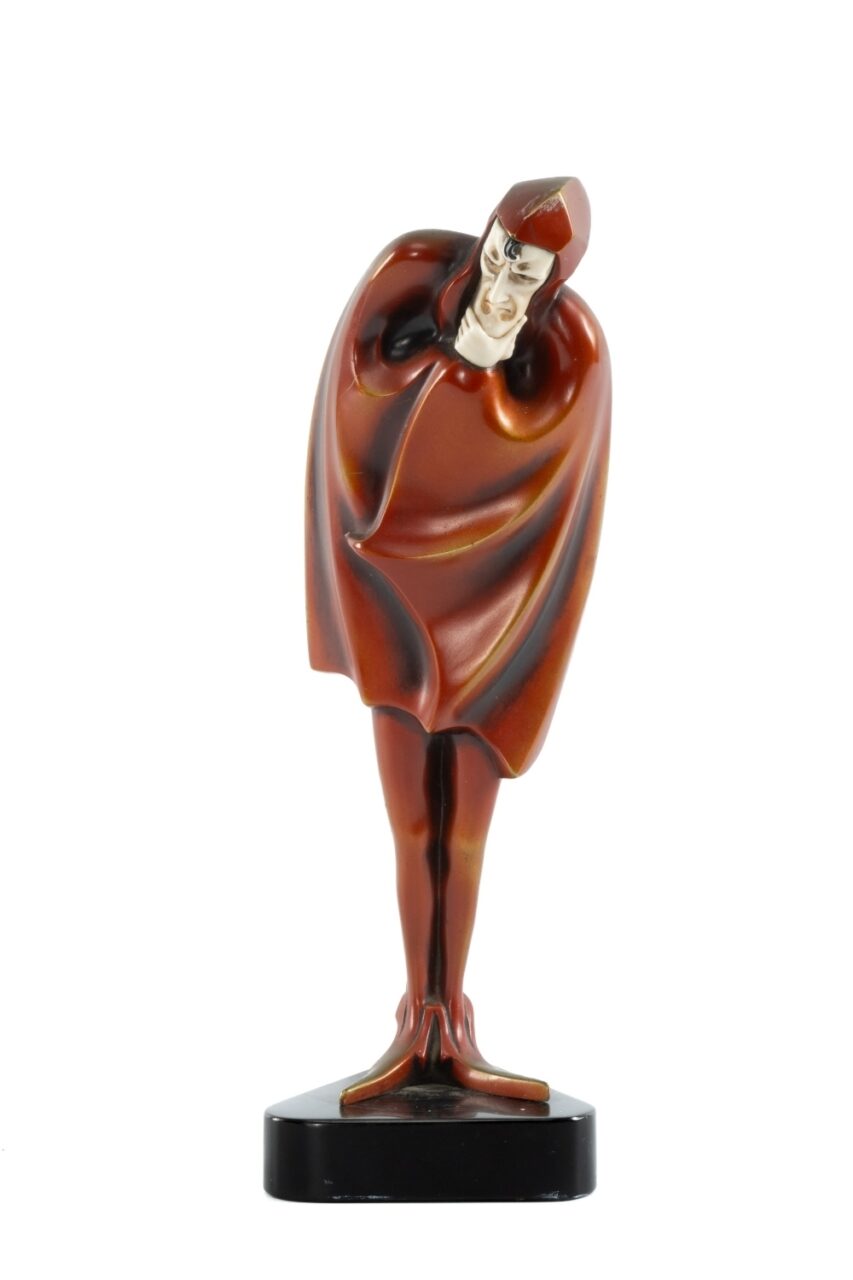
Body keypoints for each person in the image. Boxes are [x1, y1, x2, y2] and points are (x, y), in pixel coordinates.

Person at [306, 177, 611, 1104]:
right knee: (411, 821)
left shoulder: (572, 354)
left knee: (464, 831)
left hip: (493, 622)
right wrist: (453, 363)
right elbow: (357, 412)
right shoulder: (407, 284)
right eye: (503, 255)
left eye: (530, 273)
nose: (507, 282)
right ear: (484, 241)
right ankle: (418, 1018)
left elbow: (550, 483)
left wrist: (483, 376)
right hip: (394, 607)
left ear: (553, 284)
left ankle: (453, 1020)